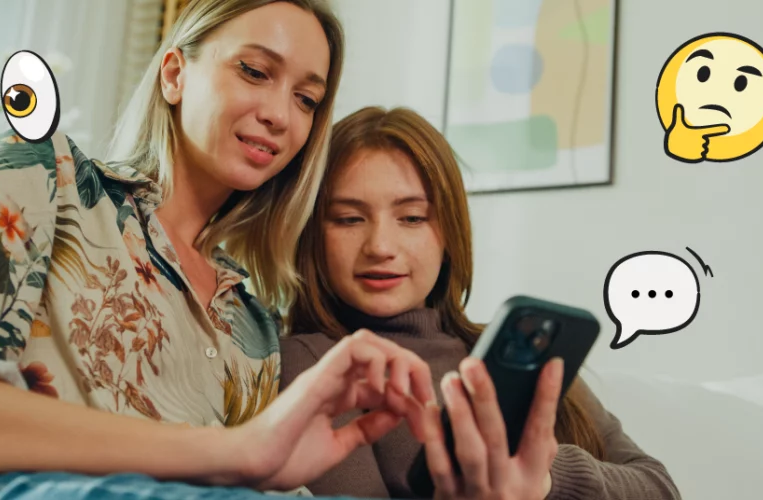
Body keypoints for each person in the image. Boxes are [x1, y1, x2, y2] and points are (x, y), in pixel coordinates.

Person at [0, 2, 439, 499]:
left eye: (307, 99)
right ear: (173, 75)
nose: (280, 114)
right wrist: (231, 451)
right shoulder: (46, 177)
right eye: (254, 71)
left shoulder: (253, 326)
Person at [280, 106, 683, 500]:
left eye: (413, 218)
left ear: (450, 231)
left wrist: (541, 478)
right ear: (313, 233)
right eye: (349, 219)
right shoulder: (312, 360)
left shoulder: (513, 346)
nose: (381, 247)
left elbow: (660, 488)